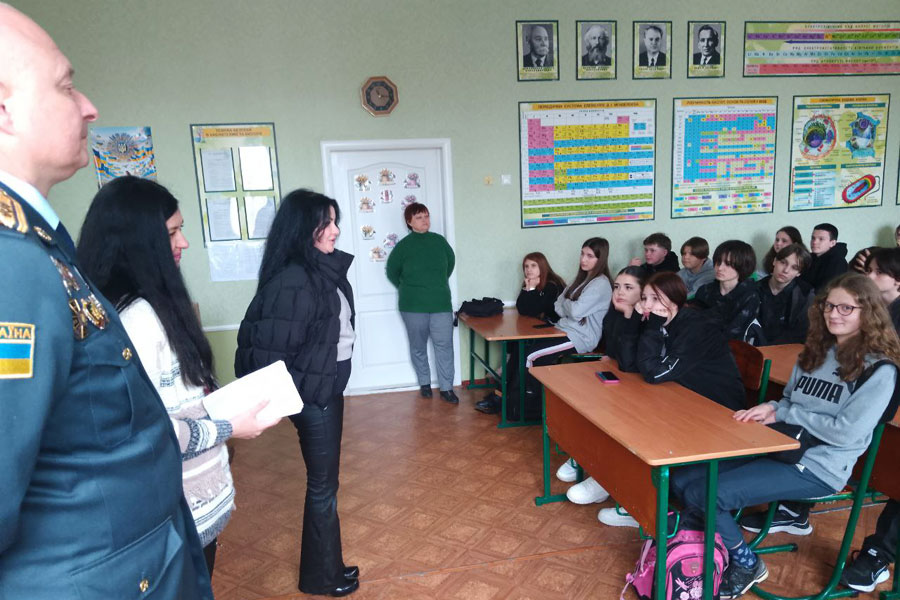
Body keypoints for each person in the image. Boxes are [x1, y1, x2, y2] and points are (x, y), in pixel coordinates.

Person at [0, 5, 213, 598]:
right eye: (65, 85)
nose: (89, 106)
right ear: (4, 110)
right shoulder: (10, 264)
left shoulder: (38, 243)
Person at [77, 175, 280, 578]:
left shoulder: (138, 307)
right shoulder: (137, 320)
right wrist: (229, 426)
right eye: (172, 232)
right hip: (173, 512)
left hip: (184, 510)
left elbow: (174, 398)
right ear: (137, 241)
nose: (183, 242)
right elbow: (148, 429)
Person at [673, 273, 900, 599]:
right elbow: (790, 402)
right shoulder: (815, 352)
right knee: (683, 480)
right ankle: (708, 543)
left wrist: (785, 413)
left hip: (819, 466)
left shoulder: (879, 370)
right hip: (780, 446)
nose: (834, 314)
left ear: (869, 313)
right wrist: (770, 407)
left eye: (846, 308)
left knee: (707, 494)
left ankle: (746, 563)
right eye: (829, 306)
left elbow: (845, 432)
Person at [235, 190, 359, 597]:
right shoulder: (295, 280)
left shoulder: (318, 270)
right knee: (322, 487)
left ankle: (328, 566)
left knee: (326, 486)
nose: (335, 230)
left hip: (324, 390)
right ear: (304, 228)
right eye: (327, 222)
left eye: (336, 221)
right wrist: (299, 399)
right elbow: (268, 354)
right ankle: (322, 577)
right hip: (314, 397)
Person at [560, 266, 646, 514]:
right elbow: (615, 351)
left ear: (642, 292)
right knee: (587, 401)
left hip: (642, 386)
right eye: (617, 287)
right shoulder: (615, 312)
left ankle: (603, 477)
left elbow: (630, 363)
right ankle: (586, 458)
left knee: (617, 416)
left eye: (628, 288)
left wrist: (630, 316)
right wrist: (610, 356)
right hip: (623, 379)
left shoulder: (646, 318)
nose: (619, 292)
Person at [839, 247, 900, 593]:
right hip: (866, 402)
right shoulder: (873, 310)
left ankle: (878, 553)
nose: (869, 277)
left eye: (877, 272)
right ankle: (793, 509)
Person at [519, 238, 612, 420]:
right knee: (523, 347)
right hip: (563, 329)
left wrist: (569, 305)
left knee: (530, 356)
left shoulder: (601, 283)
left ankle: (531, 409)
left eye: (590, 256)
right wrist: (572, 306)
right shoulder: (581, 279)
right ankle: (519, 400)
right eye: (582, 254)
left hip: (580, 337)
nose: (583, 259)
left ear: (600, 259)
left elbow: (573, 310)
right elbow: (557, 305)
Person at [637, 272, 745, 412]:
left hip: (719, 406)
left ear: (674, 302)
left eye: (655, 298)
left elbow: (653, 373)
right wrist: (633, 319)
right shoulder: (660, 319)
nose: (646, 305)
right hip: (683, 394)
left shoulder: (696, 328)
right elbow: (630, 363)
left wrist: (652, 327)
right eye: (644, 298)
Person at [475, 252, 565, 416]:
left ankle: (504, 396)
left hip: (557, 332)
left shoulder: (552, 285)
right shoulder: (531, 283)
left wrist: (531, 289)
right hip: (543, 329)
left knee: (520, 351)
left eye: (533, 266)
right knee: (517, 346)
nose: (529, 270)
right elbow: (522, 308)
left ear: (542, 266)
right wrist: (529, 288)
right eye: (526, 266)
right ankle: (501, 395)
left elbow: (534, 309)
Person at [385, 202, 457, 403]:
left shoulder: (439, 241)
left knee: (444, 346)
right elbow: (392, 272)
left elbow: (450, 264)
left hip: (441, 303)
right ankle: (425, 383)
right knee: (418, 346)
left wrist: (435, 284)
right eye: (419, 217)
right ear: (409, 222)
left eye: (426, 216)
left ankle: (447, 388)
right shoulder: (403, 247)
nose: (424, 220)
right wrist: (409, 288)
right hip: (413, 306)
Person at [693, 240, 761, 342]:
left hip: (732, 346)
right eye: (718, 262)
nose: (720, 268)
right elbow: (692, 320)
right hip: (699, 341)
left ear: (743, 266)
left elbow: (734, 331)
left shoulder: (749, 296)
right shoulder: (705, 290)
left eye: (728, 264)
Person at [756, 244, 814, 346]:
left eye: (794, 268)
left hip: (786, 348)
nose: (786, 270)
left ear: (799, 273)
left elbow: (800, 332)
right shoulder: (754, 289)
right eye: (783, 262)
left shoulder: (805, 294)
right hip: (754, 346)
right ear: (774, 261)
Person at [802, 223, 848, 293]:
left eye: (821, 239)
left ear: (832, 243)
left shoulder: (837, 262)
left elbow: (824, 291)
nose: (814, 242)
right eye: (813, 238)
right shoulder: (809, 257)